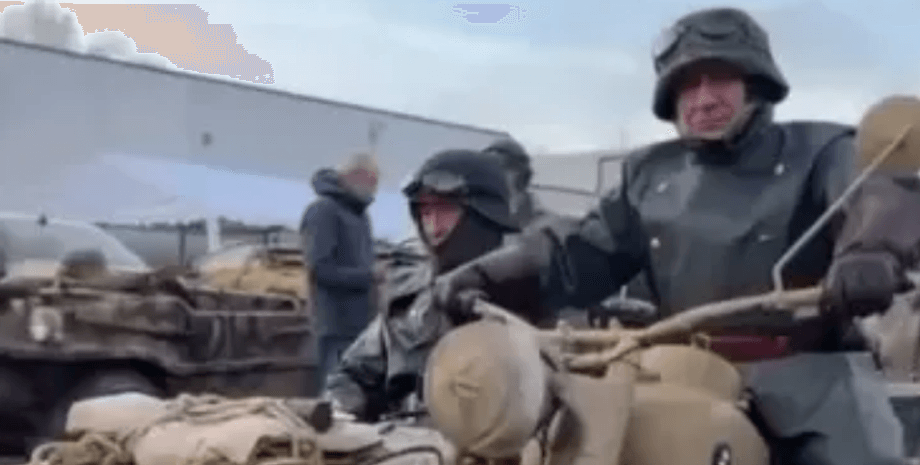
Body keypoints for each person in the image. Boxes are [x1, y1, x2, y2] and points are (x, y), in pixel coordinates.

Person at [434, 7, 909, 465]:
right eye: (687, 86)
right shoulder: (649, 174)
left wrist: (870, 251)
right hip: (680, 372)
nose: (703, 99)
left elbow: (873, 194)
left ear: (756, 83)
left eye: (719, 79)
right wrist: (489, 275)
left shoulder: (822, 150)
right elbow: (583, 250)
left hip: (810, 372)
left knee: (854, 455)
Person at [322, 148, 544, 422]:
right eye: (426, 212)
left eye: (445, 210)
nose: (433, 226)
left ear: (483, 215)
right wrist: (342, 407)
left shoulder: (535, 299)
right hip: (409, 440)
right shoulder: (411, 301)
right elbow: (352, 374)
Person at [300, 152, 381, 392]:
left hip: (360, 325)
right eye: (372, 182)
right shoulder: (323, 211)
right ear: (353, 176)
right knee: (336, 393)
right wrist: (370, 277)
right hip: (335, 326)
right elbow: (320, 269)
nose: (374, 190)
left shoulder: (359, 215)